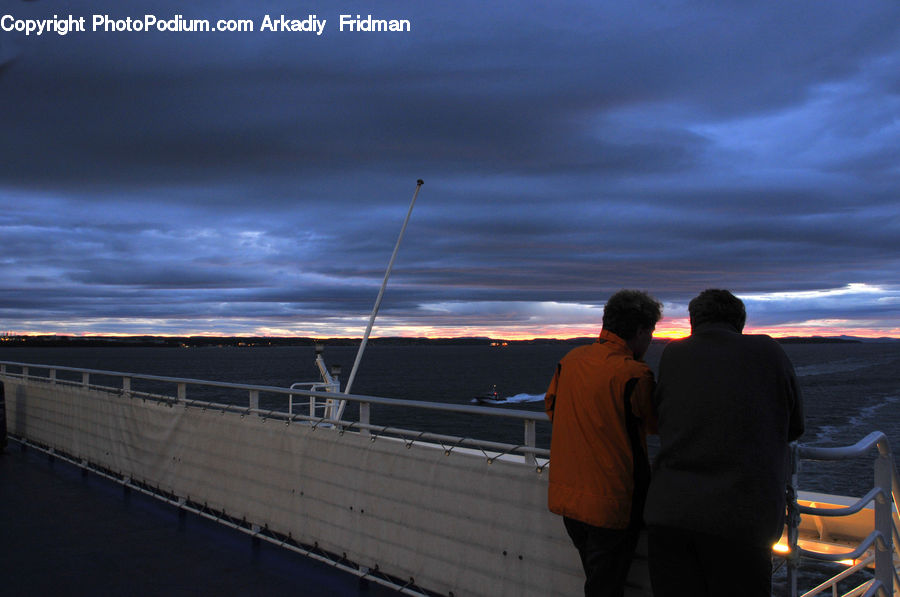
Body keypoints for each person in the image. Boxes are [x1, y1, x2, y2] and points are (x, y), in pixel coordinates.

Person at [643, 289, 804, 597]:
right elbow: (795, 427)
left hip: (670, 515)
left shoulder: (674, 353)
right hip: (740, 521)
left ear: (693, 322)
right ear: (739, 322)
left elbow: (661, 418)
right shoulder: (769, 352)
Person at [545, 289, 662, 597]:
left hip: (569, 500)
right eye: (650, 333)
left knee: (597, 579)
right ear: (639, 331)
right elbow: (654, 424)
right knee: (605, 586)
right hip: (612, 506)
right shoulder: (634, 373)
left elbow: (552, 410)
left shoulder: (570, 361)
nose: (650, 341)